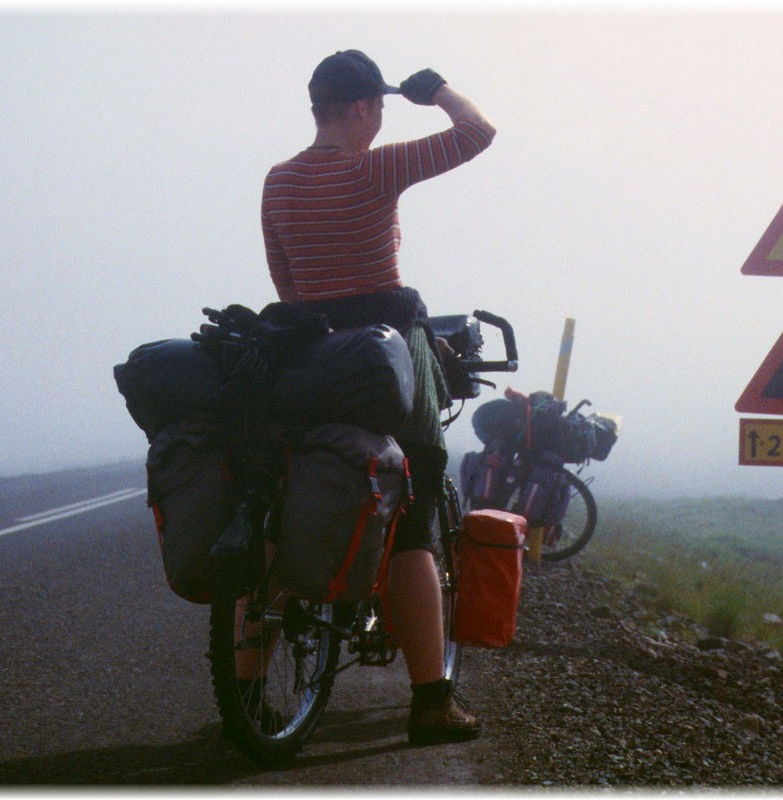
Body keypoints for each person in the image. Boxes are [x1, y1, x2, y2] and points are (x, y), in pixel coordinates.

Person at [260, 49, 496, 745]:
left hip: (310, 360)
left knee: (286, 502)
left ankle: (248, 689)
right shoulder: (372, 167)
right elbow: (478, 135)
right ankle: (430, 703)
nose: (384, 117)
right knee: (415, 516)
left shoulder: (277, 183)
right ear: (362, 108)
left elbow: (287, 286)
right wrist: (441, 91)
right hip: (388, 357)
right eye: (382, 107)